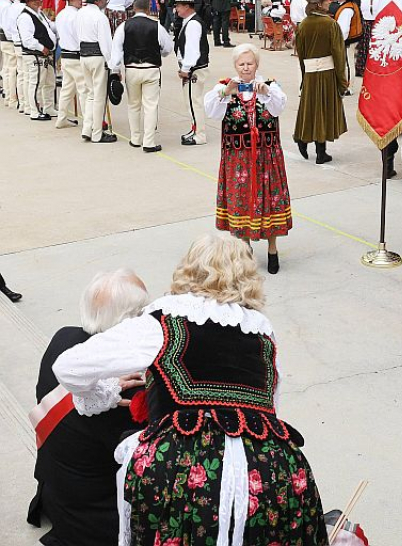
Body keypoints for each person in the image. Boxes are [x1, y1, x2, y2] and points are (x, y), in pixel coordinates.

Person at [52, 233, 329, 546]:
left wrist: (102, 392)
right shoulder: (262, 331)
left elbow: (69, 368)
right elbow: (271, 409)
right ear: (247, 276)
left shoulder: (163, 317)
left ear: (189, 268)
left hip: (183, 468)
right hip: (273, 471)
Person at [27, 269, 150, 546]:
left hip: (58, 491)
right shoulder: (128, 383)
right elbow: (142, 464)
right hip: (94, 518)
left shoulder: (63, 339)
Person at [205, 43, 291, 273]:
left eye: (250, 63)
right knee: (241, 203)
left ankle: (272, 250)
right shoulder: (224, 87)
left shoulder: (270, 86)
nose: (245, 68)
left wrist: (266, 92)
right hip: (238, 158)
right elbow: (211, 111)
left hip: (266, 157)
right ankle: (245, 250)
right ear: (235, 65)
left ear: (257, 64)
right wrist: (225, 92)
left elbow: (278, 107)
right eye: (241, 64)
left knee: (269, 202)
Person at [293, 0, 348, 164]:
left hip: (310, 74)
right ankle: (320, 151)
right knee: (324, 111)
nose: (329, 2)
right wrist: (342, 82)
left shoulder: (303, 25)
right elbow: (339, 56)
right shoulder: (330, 25)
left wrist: (305, 76)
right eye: (326, 0)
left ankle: (303, 139)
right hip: (327, 74)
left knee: (310, 110)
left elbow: (300, 56)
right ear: (319, 3)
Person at [110, 0, 173, 153]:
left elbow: (116, 51)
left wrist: (115, 70)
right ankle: (149, 141)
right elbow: (167, 48)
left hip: (132, 68)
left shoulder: (124, 26)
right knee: (150, 106)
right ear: (147, 9)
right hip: (151, 68)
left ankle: (135, 138)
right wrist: (159, 53)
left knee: (133, 105)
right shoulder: (157, 26)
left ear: (134, 8)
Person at [78, 0, 117, 144]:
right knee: (99, 96)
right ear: (99, 0)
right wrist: (112, 65)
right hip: (98, 57)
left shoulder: (80, 13)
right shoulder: (100, 17)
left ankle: (87, 129)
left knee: (90, 95)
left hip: (83, 55)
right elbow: (106, 44)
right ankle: (97, 133)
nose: (106, 1)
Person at [174, 0, 210, 146]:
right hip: (192, 67)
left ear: (187, 6)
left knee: (194, 101)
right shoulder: (189, 22)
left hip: (194, 68)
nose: (176, 9)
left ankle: (200, 134)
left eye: (178, 6)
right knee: (190, 101)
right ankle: (195, 128)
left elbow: (192, 49)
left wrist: (186, 68)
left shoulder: (193, 23)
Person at [18, 0, 58, 121]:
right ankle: (34, 110)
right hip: (36, 54)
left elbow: (50, 26)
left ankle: (48, 107)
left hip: (45, 55)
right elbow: (27, 39)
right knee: (36, 83)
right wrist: (42, 48)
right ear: (27, 1)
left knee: (49, 82)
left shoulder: (39, 13)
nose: (37, 1)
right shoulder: (25, 17)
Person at [55, 0, 87, 130]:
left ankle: (61, 118)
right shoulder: (77, 15)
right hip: (76, 55)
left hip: (66, 55)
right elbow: (80, 37)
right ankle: (88, 120)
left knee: (67, 89)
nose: (81, 0)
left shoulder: (61, 14)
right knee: (83, 90)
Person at [333, 0, 363, 88]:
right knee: (347, 62)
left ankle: (349, 86)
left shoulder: (347, 9)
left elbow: (344, 29)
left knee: (348, 62)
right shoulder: (349, 6)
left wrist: (340, 41)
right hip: (351, 38)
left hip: (348, 39)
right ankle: (347, 84)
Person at [8, 0, 31, 115]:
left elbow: (7, 25)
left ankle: (22, 103)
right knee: (27, 75)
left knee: (21, 74)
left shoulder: (11, 8)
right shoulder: (24, 8)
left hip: (15, 41)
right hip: (24, 42)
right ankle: (27, 104)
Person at [0, 0, 19, 110]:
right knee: (11, 70)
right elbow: (7, 26)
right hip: (8, 39)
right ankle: (12, 98)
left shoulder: (3, 3)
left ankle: (8, 96)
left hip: (4, 38)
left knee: (7, 69)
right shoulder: (7, 6)